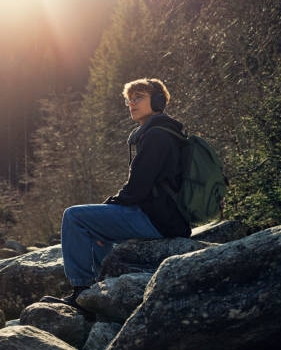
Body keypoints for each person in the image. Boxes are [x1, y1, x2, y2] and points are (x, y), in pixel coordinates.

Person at [43, 78, 191, 310]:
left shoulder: (157, 136)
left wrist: (111, 205)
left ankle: (82, 290)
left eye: (138, 97)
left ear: (158, 100)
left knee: (74, 217)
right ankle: (101, 287)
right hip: (164, 216)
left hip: (158, 219)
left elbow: (137, 188)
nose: (132, 103)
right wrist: (110, 209)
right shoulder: (162, 132)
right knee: (97, 220)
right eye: (129, 100)